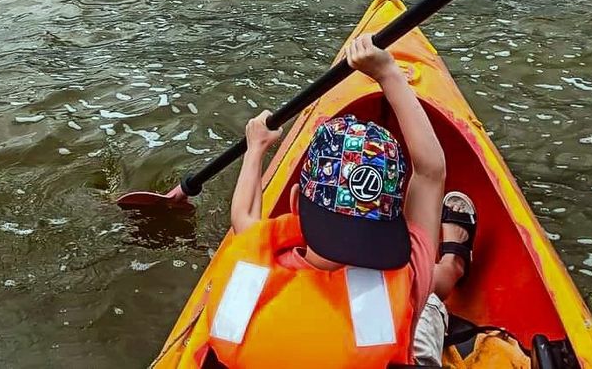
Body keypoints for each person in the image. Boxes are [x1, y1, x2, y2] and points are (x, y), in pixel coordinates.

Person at [200, 34, 477, 368]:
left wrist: (256, 148)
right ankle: (453, 266)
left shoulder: (252, 265)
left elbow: (243, 215)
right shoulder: (404, 280)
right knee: (430, 301)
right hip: (409, 304)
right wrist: (388, 73)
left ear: (295, 202)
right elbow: (431, 173)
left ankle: (447, 271)